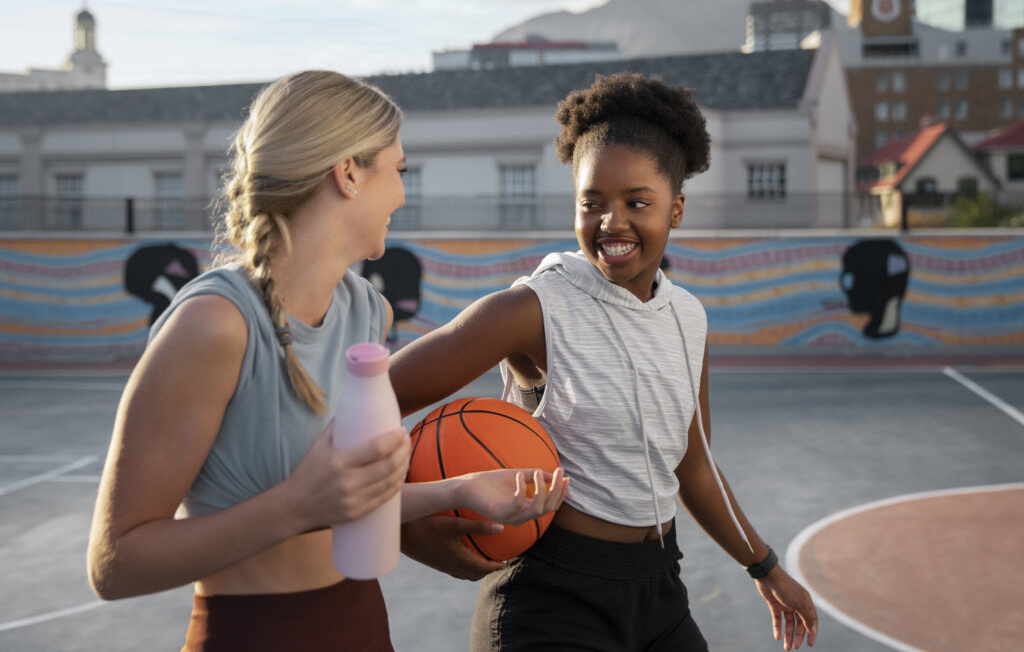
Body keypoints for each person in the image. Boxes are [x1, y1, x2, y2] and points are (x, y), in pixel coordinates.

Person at [86, 70, 568, 652]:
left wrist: (459, 490)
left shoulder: (367, 313)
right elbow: (114, 564)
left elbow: (345, 502)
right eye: (398, 170)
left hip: (361, 626)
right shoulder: (214, 325)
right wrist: (294, 507)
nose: (402, 194)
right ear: (348, 174)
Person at [391, 72, 818, 651]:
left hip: (659, 589)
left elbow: (693, 466)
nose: (612, 221)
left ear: (676, 209)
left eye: (637, 202)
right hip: (551, 598)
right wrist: (410, 529)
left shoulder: (688, 318)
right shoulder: (533, 308)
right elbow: (377, 395)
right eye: (592, 203)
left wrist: (764, 566)